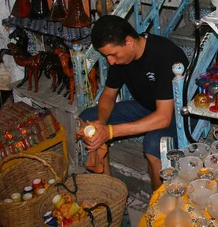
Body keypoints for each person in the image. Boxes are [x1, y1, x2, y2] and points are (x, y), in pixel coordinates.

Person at [79, 15, 188, 190]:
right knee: (88, 119)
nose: (110, 61)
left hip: (177, 113)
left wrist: (111, 131)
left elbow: (163, 118)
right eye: (106, 56)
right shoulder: (121, 59)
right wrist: (101, 122)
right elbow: (108, 95)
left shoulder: (165, 55)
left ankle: (157, 203)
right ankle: (109, 190)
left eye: (112, 54)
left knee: (153, 145)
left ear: (129, 42)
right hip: (146, 107)